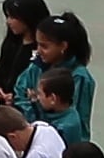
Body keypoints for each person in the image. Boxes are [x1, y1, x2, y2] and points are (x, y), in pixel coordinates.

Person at [24, 12, 96, 147]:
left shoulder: (79, 78)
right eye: (38, 44)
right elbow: (21, 90)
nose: (38, 51)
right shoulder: (37, 66)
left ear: (63, 46)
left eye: (44, 46)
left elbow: (77, 119)